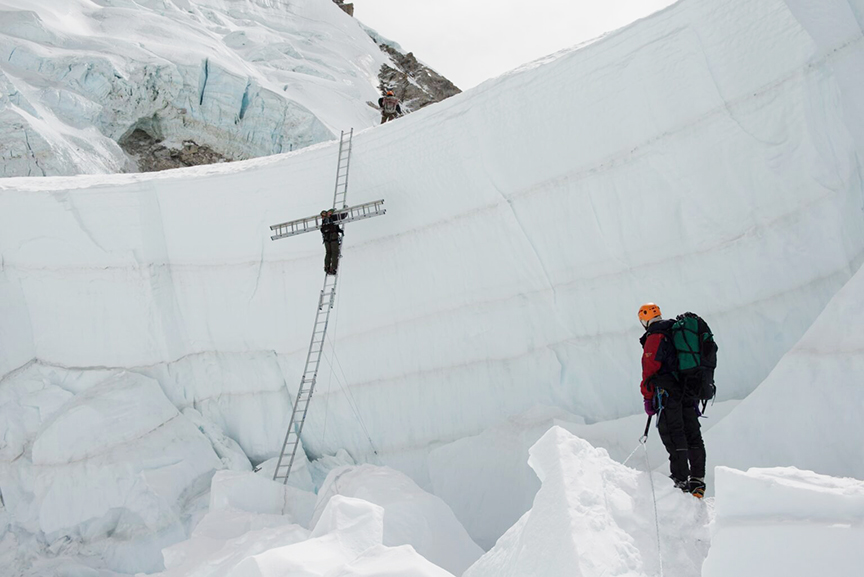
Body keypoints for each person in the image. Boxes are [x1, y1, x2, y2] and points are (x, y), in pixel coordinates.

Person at [638, 303, 707, 498]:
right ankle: (697, 480)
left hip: (668, 393)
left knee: (673, 434)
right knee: (692, 433)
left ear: (645, 320)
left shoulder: (655, 336)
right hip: (688, 391)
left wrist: (648, 398)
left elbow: (649, 370)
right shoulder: (677, 332)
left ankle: (680, 480)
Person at [320, 209, 344, 275]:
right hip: (333, 238)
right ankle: (333, 268)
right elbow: (336, 226)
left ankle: (327, 267)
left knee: (328, 253)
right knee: (334, 253)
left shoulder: (324, 221)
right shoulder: (332, 218)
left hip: (326, 240)